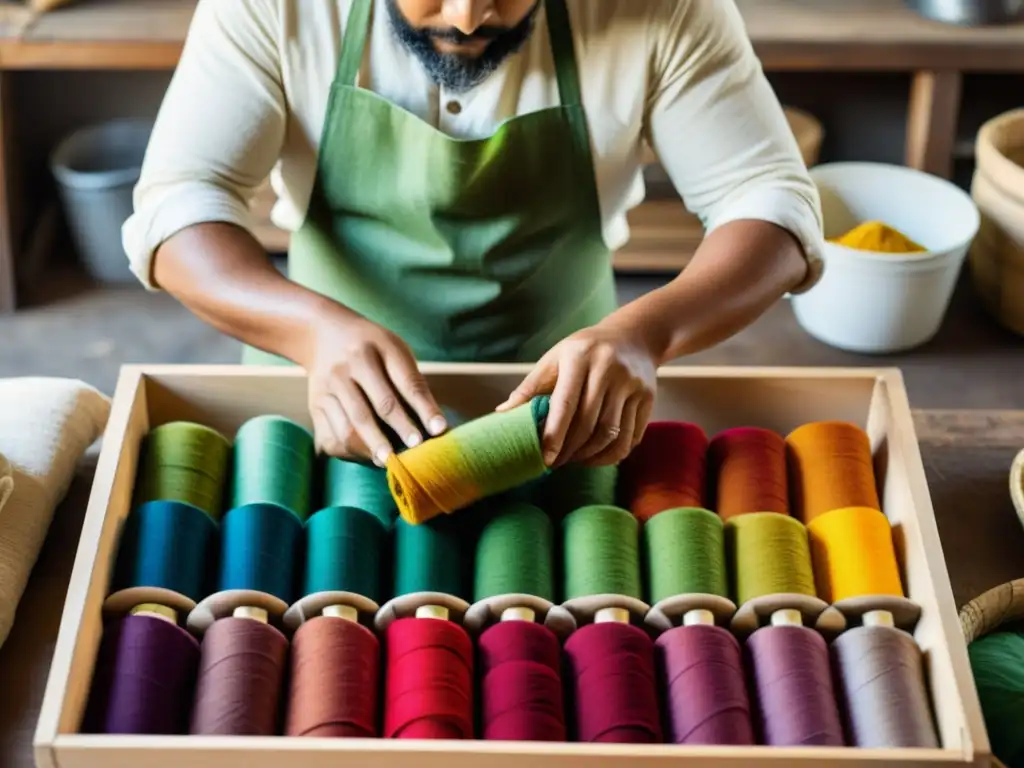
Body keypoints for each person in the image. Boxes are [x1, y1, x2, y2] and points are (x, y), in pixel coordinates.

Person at [123, 0, 824, 472]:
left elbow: (769, 201)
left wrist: (647, 334)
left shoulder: (665, 8)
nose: (466, 16)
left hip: (563, 410)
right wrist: (310, 334)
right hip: (322, 393)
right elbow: (181, 202)